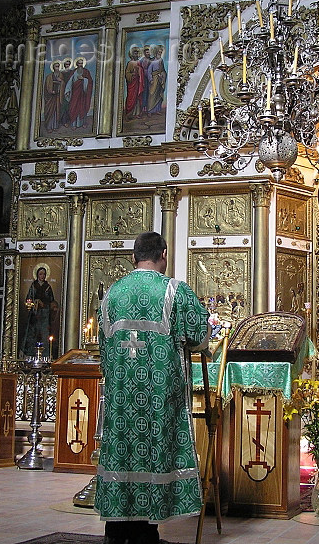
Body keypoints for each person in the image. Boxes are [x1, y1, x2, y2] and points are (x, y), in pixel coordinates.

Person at [95, 231, 210, 544]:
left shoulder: (113, 294)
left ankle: (117, 531)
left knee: (124, 455)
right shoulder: (174, 291)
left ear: (133, 257)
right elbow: (200, 336)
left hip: (120, 401)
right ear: (164, 255)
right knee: (153, 455)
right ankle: (147, 530)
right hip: (158, 400)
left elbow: (103, 352)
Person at [22, 266, 57, 357]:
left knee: (44, 334)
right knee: (33, 334)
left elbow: (51, 301)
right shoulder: (33, 286)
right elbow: (29, 299)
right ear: (37, 275)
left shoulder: (48, 287)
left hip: (45, 314)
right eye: (41, 274)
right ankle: (30, 354)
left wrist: (45, 304)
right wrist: (34, 302)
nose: (42, 276)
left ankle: (45, 355)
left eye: (44, 274)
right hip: (35, 314)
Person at [64, 57, 94, 129]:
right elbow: (69, 82)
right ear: (77, 64)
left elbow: (90, 82)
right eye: (79, 63)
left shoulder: (86, 72)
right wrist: (67, 91)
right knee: (73, 107)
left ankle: (82, 123)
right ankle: (74, 124)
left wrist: (83, 79)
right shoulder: (74, 72)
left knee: (82, 108)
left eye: (81, 63)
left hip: (83, 94)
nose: (80, 65)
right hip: (75, 93)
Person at [123, 46, 145, 120]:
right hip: (132, 82)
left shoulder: (139, 62)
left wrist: (140, 70)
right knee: (131, 97)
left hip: (138, 82)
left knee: (138, 97)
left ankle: (137, 113)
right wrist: (132, 74)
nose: (136, 55)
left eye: (137, 53)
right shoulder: (130, 63)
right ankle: (129, 113)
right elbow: (127, 73)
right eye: (134, 53)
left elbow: (142, 71)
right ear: (132, 55)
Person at [145, 45, 166, 115]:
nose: (160, 53)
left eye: (161, 52)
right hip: (154, 80)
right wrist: (151, 79)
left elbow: (163, 70)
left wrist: (162, 75)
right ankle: (150, 110)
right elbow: (149, 71)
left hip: (160, 79)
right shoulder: (152, 61)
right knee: (152, 95)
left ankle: (157, 110)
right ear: (156, 52)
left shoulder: (161, 60)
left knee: (158, 95)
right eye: (159, 52)